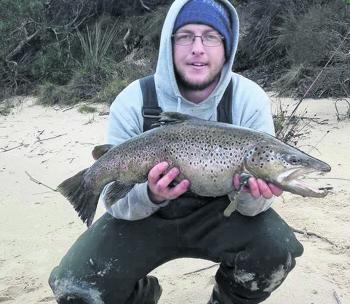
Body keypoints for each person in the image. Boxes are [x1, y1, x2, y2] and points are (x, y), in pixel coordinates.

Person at [49, 0, 304, 303]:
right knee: (74, 286)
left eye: (211, 36)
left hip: (221, 214)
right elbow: (116, 205)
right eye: (185, 36)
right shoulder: (132, 100)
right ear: (169, 44)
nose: (198, 47)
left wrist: (252, 194)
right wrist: (152, 195)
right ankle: (142, 295)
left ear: (227, 46)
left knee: (277, 250)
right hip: (145, 216)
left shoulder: (249, 99)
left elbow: (253, 209)